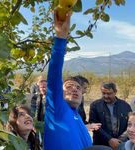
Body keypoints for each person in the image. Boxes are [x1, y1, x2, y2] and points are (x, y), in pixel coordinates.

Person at [43, 10, 92, 150]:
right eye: (69, 86)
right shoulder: (57, 108)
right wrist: (61, 38)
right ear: (60, 92)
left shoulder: (79, 119)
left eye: (78, 88)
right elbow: (54, 75)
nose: (75, 89)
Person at [89, 82, 132, 149]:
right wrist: (109, 139)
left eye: (109, 93)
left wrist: (120, 140)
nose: (106, 96)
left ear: (115, 92)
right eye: (103, 93)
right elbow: (93, 125)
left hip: (121, 144)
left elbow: (131, 123)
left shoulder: (125, 105)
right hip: (101, 144)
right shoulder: (95, 105)